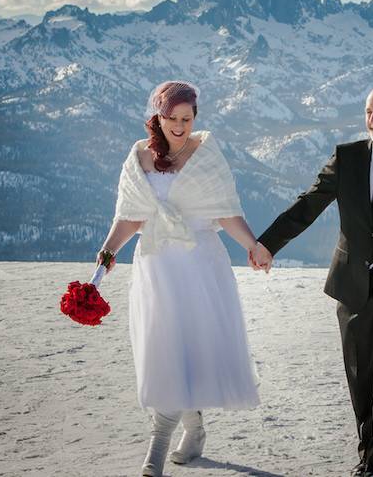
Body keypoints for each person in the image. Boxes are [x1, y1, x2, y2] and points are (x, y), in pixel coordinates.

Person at [250, 84, 373, 477]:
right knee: (360, 375)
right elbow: (307, 204)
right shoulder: (347, 159)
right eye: (368, 112)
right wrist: (267, 244)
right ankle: (367, 447)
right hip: (353, 285)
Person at [97, 81, 261, 477]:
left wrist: (254, 246)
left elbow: (225, 213)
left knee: (189, 350)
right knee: (165, 351)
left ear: (195, 118)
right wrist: (108, 250)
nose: (180, 126)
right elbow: (130, 215)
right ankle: (195, 428)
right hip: (156, 266)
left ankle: (157, 449)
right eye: (172, 118)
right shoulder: (139, 155)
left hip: (200, 266)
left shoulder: (206, 155)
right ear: (158, 116)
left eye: (187, 119)